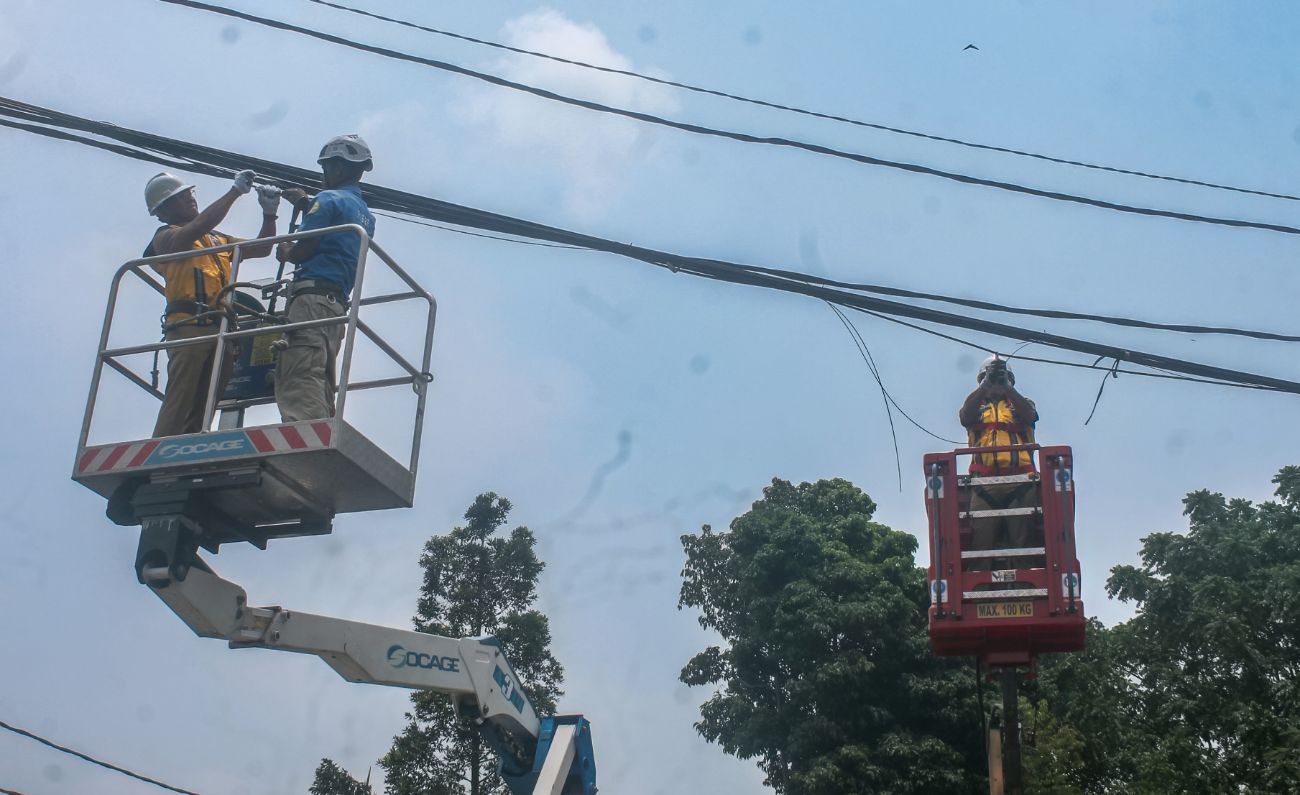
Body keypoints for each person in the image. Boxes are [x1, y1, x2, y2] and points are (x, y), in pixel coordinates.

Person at [144, 171, 282, 437]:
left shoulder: (217, 240)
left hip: (220, 328)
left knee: (207, 402)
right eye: (178, 198)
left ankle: (191, 444)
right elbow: (195, 229)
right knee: (181, 397)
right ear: (161, 212)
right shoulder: (165, 237)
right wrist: (235, 193)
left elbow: (263, 248)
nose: (188, 199)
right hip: (189, 326)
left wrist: (269, 215)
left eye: (188, 194)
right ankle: (162, 447)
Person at [274, 134, 377, 422]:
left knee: (301, 370)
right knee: (321, 376)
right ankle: (323, 426)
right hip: (336, 305)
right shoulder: (365, 215)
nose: (323, 175)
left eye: (326, 168)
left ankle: (304, 434)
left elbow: (306, 249)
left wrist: (286, 252)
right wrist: (308, 204)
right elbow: (337, 233)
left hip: (311, 300)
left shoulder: (327, 200)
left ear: (339, 168)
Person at [959, 356, 1041, 570]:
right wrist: (984, 387)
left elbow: (1030, 416)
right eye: (990, 379)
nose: (996, 384)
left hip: (1020, 483)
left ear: (1010, 380)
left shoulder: (1021, 404)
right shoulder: (976, 407)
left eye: (1000, 379)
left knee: (1022, 543)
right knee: (981, 545)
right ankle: (981, 585)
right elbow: (965, 416)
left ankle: (1025, 585)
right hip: (984, 484)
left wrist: (1008, 389)